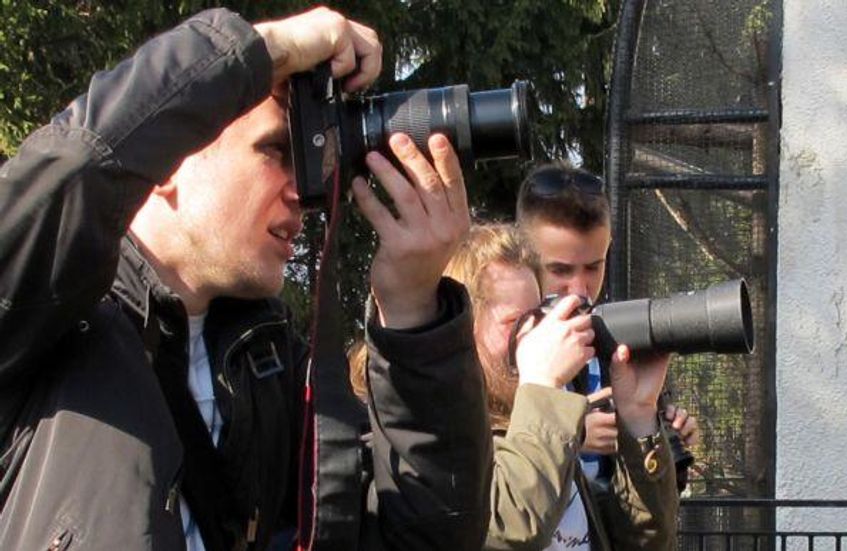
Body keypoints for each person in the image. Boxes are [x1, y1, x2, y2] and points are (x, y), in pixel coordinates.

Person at [0, 7, 489, 551]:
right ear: (166, 162)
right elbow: (73, 169)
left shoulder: (265, 359)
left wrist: (413, 310)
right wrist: (264, 51)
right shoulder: (44, 317)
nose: (303, 188)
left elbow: (422, 536)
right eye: (277, 151)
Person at [439, 223, 677, 550]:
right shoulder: (437, 438)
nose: (535, 336)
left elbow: (643, 543)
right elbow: (510, 533)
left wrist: (638, 417)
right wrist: (542, 384)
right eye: (514, 322)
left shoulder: (542, 426)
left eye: (537, 318)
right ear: (462, 331)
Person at [515, 164, 699, 489]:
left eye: (593, 267)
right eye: (560, 270)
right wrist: (572, 434)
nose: (580, 289)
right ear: (523, 257)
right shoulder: (500, 343)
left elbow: (649, 502)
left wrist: (658, 438)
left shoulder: (615, 341)